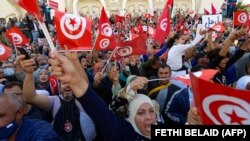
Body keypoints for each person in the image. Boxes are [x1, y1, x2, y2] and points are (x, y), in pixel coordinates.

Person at [49, 51, 157, 141]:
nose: (149, 117)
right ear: (131, 115)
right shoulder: (125, 134)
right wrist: (74, 80)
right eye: (141, 113)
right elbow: (98, 107)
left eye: (151, 111)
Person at [20, 56, 96, 141]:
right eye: (64, 83)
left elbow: (85, 84)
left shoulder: (83, 99)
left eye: (70, 83)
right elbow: (30, 97)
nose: (67, 86)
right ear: (59, 87)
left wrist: (75, 61)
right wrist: (29, 73)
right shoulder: (54, 101)